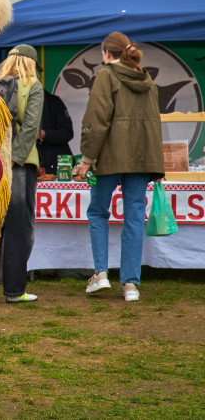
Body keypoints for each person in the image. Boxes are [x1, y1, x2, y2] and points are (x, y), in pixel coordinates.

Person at [73, 32, 164, 303]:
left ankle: (101, 274)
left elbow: (95, 120)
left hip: (110, 158)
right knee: (134, 218)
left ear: (106, 54)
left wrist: (87, 158)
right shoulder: (148, 81)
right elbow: (154, 125)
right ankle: (131, 285)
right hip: (141, 159)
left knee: (98, 213)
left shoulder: (106, 75)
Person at [0, 44, 44, 304]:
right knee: (19, 227)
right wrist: (14, 161)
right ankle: (14, 290)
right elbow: (31, 127)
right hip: (18, 164)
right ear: (31, 64)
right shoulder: (33, 86)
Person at [38, 90, 74, 176]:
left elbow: (67, 132)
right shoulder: (18, 104)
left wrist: (45, 134)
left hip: (58, 166)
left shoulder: (53, 102)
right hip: (33, 168)